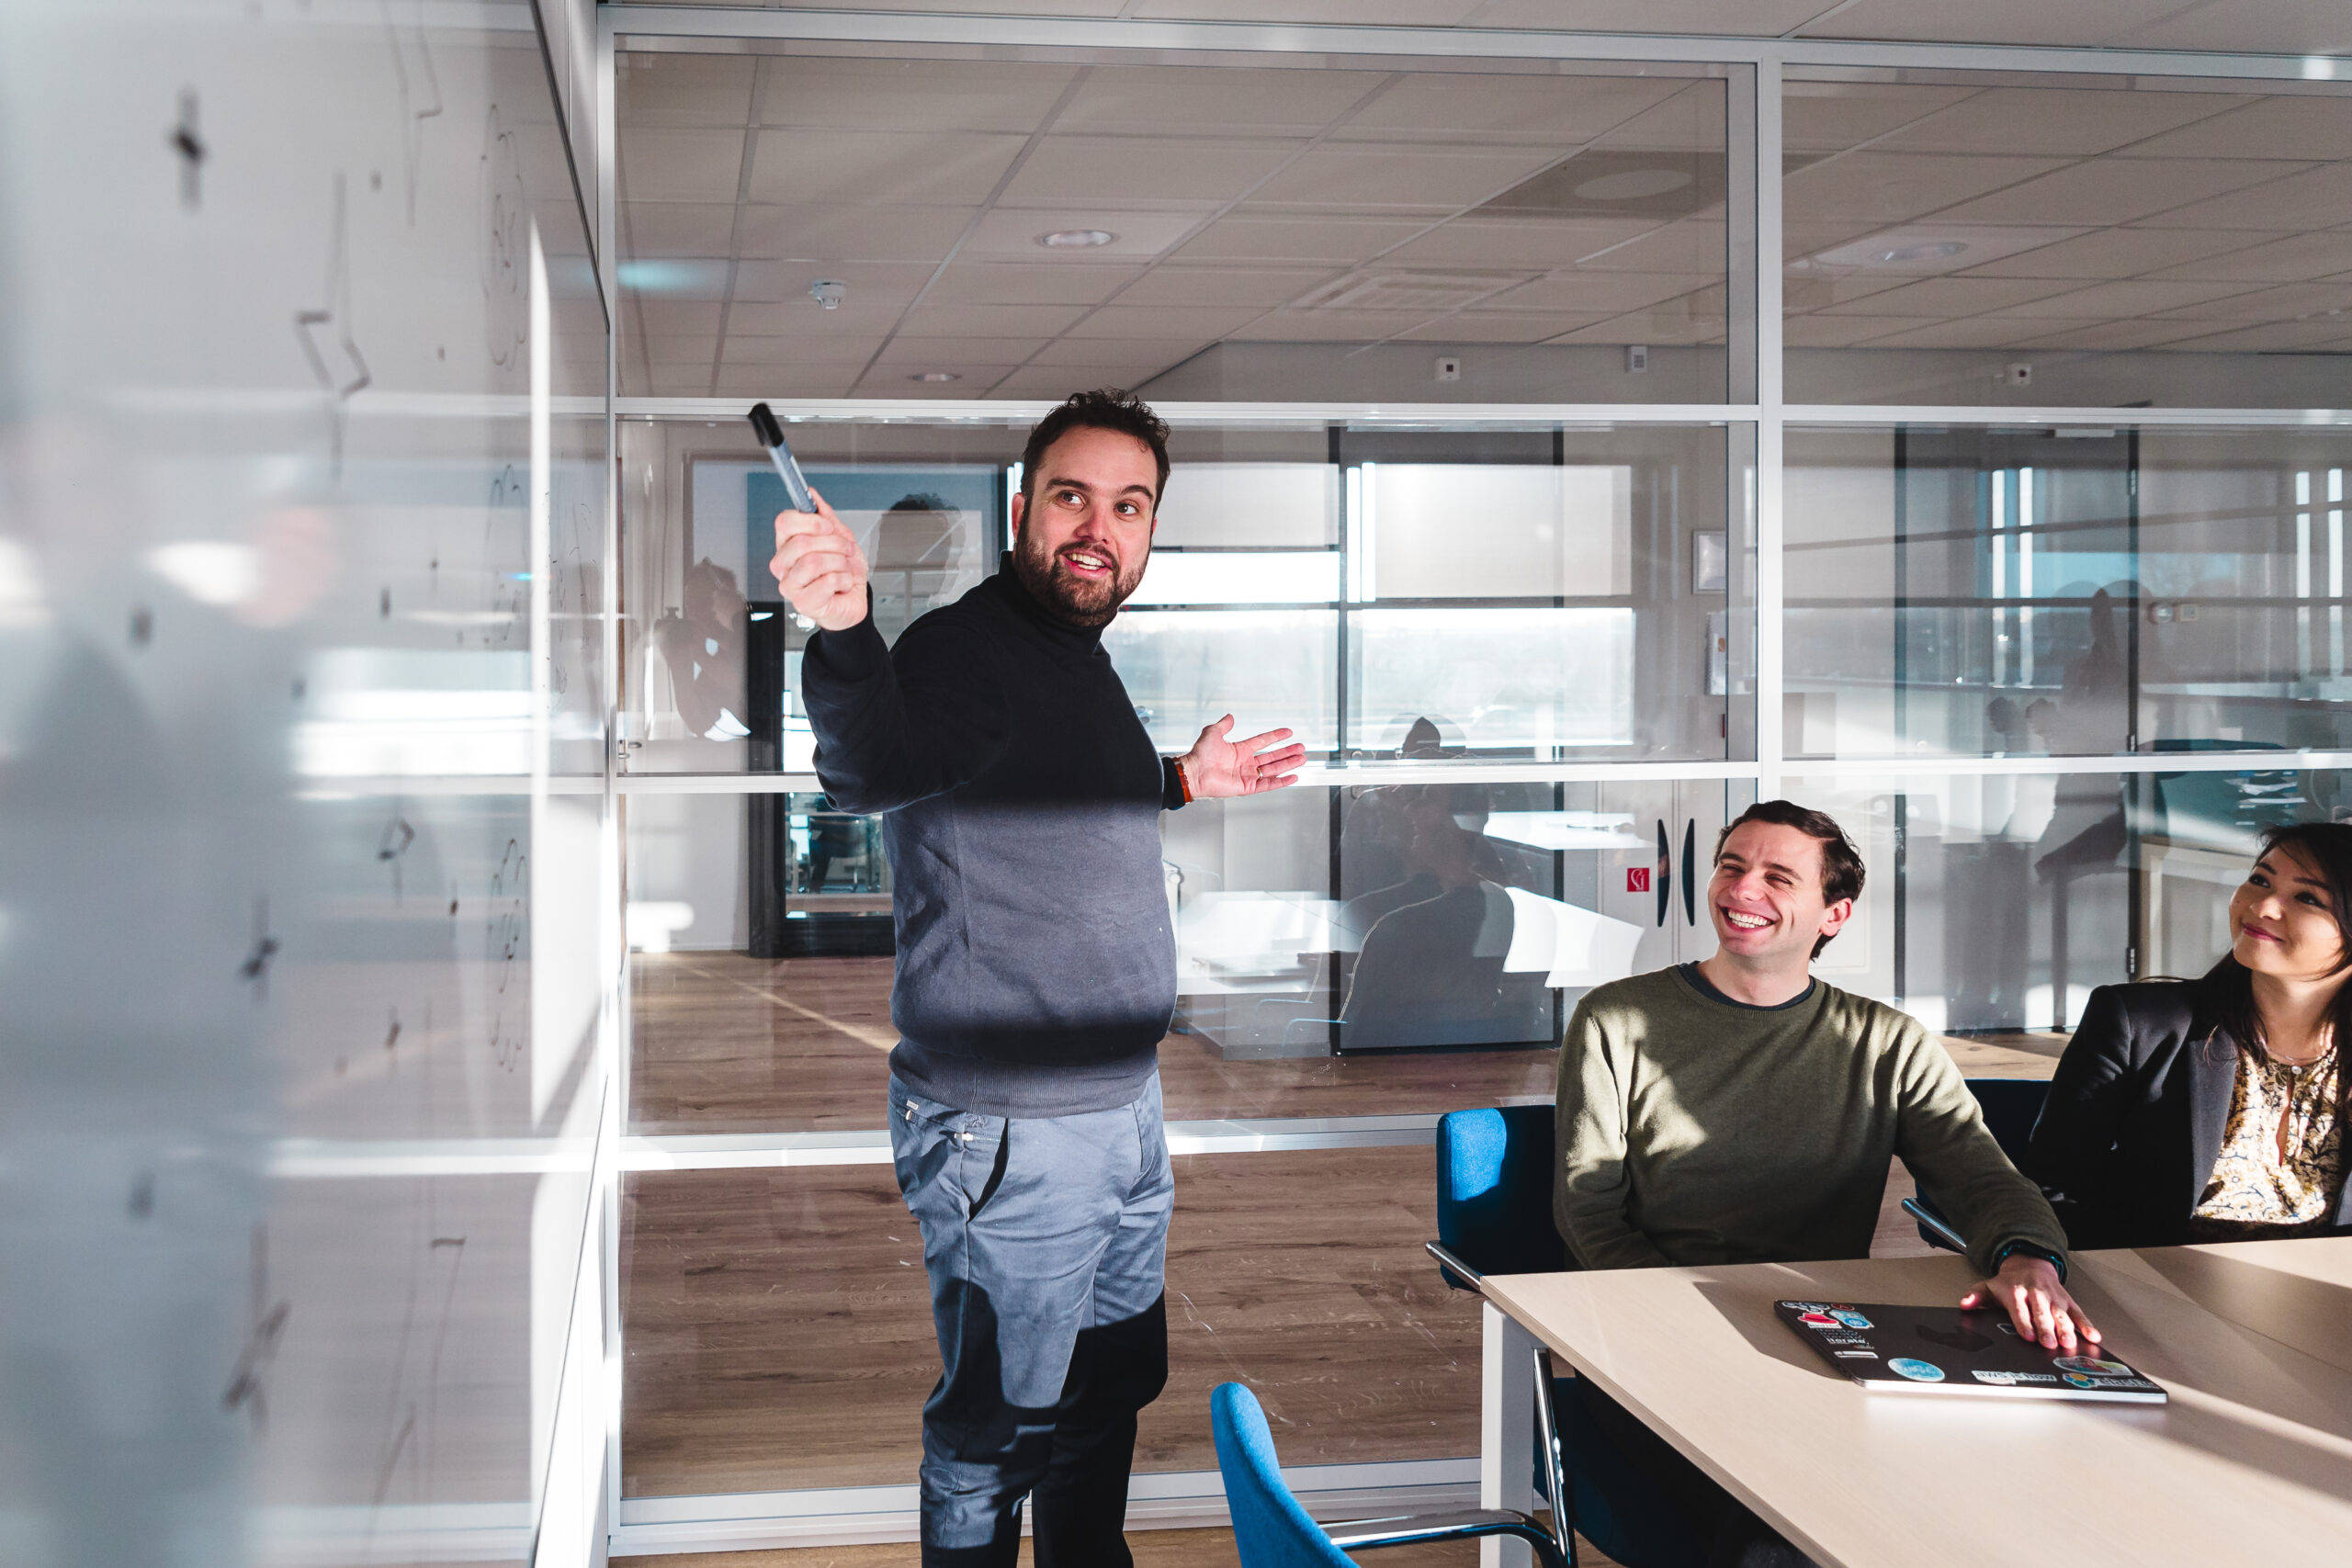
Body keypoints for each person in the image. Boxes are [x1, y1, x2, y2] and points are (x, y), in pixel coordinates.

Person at [767, 389, 1305, 1568]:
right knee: (997, 1424)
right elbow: (879, 766)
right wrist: (846, 633)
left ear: (1149, 532)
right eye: (1072, 497)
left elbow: (1047, 783)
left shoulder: (1074, 657)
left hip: (1119, 1111)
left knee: (1110, 1381)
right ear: (1024, 511)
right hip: (1012, 1130)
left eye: (1129, 506)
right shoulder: (967, 650)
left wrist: (1177, 780)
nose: (1098, 528)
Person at [1555, 798, 2094, 1568]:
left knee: (1978, 1491)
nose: (1742, 890)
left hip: (1825, 1337)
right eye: (1733, 866)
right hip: (1666, 1340)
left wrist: (2027, 1254)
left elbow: (1980, 1174)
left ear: (1833, 914)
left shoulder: (1885, 1040)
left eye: (1778, 876)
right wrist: (1694, 1320)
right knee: (1779, 1527)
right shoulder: (1616, 1018)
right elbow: (1589, 1215)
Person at [2027, 822, 2352, 1248]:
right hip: (2162, 1289)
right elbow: (2050, 1189)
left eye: (2307, 897)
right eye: (2260, 880)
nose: (2263, 906)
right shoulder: (2140, 1023)